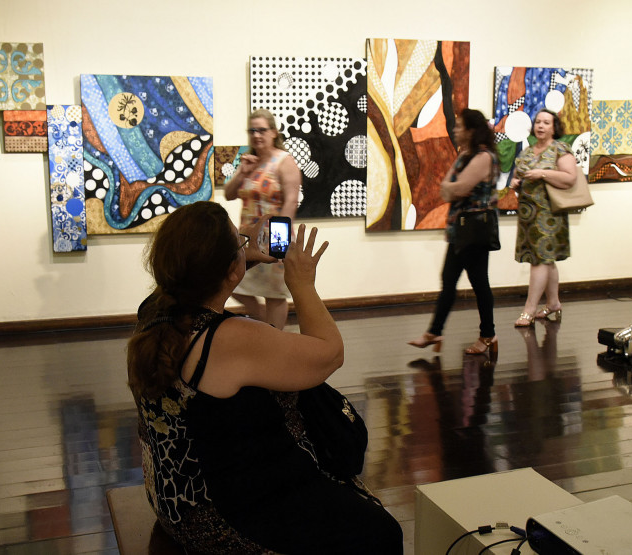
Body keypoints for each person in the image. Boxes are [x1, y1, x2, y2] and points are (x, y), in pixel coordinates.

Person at [127, 202, 403, 554]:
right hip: (214, 517)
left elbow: (198, 276)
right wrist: (301, 284)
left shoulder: (154, 311)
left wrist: (243, 255)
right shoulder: (229, 338)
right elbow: (330, 354)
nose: (245, 241)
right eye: (238, 240)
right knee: (381, 531)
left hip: (171, 497)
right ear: (229, 270)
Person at [408, 109, 499, 356]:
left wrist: (453, 188)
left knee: (478, 283)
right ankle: (435, 331)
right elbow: (445, 189)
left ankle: (488, 335)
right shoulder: (465, 155)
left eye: (460, 126)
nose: (455, 130)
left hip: (474, 230)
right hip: (460, 229)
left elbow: (457, 189)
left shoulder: (484, 157)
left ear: (471, 130)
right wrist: (452, 188)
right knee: (449, 280)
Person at [224, 109, 301, 330]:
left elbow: (291, 202)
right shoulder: (250, 162)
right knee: (231, 281)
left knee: (274, 294)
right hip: (247, 239)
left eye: (262, 130)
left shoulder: (284, 162)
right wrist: (242, 172)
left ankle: (273, 337)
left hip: (273, 238)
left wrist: (279, 244)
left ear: (273, 132)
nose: (257, 135)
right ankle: (262, 322)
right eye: (252, 131)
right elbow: (229, 194)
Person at [509, 109, 577, 327]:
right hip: (529, 216)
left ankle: (529, 310)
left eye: (546, 122)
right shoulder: (527, 151)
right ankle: (553, 303)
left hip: (549, 215)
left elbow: (570, 178)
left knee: (540, 260)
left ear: (554, 127)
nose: (540, 126)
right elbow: (517, 175)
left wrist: (543, 173)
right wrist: (515, 183)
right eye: (538, 122)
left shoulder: (560, 149)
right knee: (546, 260)